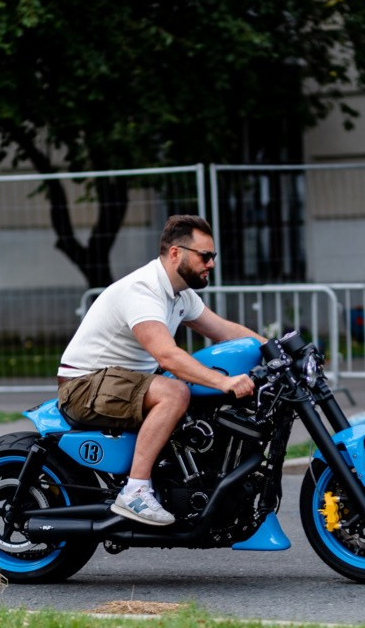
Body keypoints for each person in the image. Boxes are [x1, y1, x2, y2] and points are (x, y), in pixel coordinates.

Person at [55, 214, 265, 526]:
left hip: (122, 382)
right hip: (85, 385)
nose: (211, 264)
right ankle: (136, 491)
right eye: (205, 256)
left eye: (213, 256)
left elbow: (223, 330)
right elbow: (167, 356)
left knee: (198, 401)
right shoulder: (143, 290)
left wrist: (277, 348)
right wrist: (223, 381)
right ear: (176, 253)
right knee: (175, 391)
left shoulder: (180, 295)